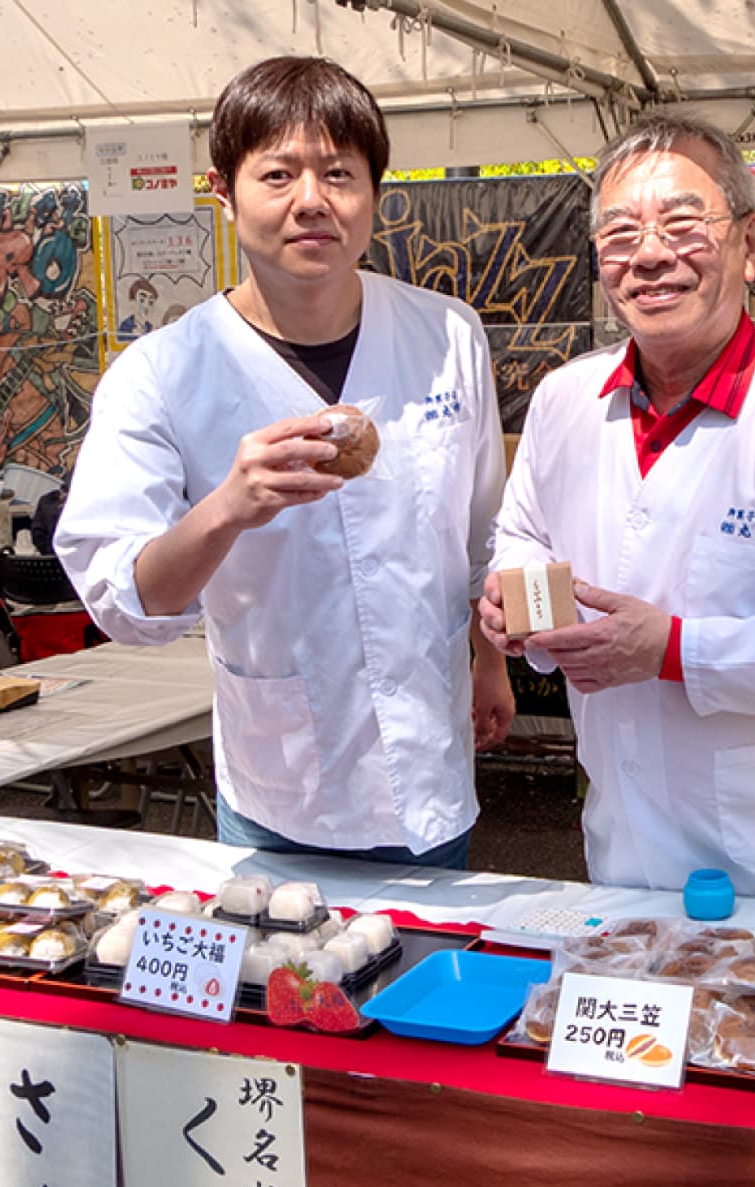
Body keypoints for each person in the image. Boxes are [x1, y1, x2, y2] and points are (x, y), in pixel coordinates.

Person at [58, 57, 513, 868]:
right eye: (277, 174)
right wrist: (226, 507)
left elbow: (483, 533)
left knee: (428, 947)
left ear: (374, 191)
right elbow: (124, 600)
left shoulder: (447, 335)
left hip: (432, 763)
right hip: (283, 780)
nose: (312, 200)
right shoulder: (163, 374)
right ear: (223, 192)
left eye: (339, 173)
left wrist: (490, 663)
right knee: (285, 950)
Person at [481, 109, 755, 893]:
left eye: (683, 225)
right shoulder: (564, 402)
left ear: (749, 244)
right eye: (621, 234)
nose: (650, 255)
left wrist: (673, 651)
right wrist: (521, 604)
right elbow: (524, 533)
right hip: (622, 836)